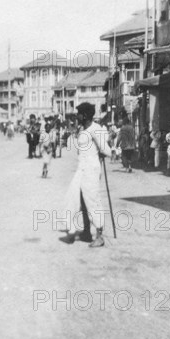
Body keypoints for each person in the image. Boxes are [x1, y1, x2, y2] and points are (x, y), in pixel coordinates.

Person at [62, 102, 111, 247]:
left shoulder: (96, 129)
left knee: (92, 201)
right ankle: (85, 231)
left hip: (91, 170)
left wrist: (103, 153)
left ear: (85, 115)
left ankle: (99, 236)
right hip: (81, 169)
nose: (77, 116)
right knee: (76, 199)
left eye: (79, 114)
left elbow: (106, 149)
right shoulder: (82, 129)